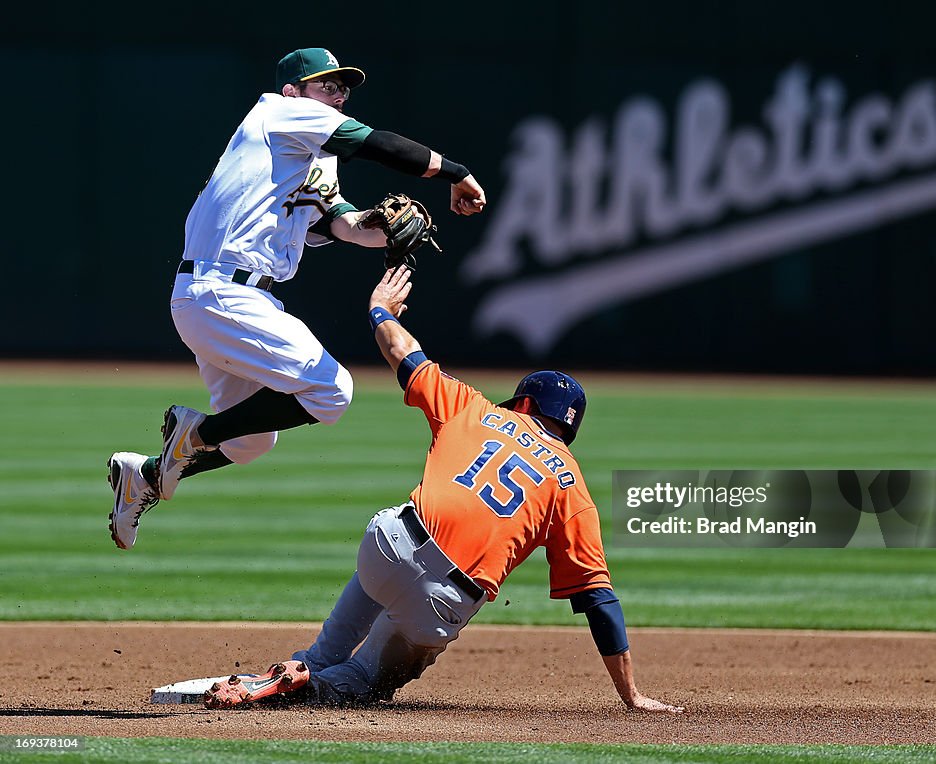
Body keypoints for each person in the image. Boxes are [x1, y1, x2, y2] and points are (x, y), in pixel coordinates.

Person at [203, 265, 683, 714]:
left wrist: (379, 310)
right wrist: (631, 693)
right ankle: (307, 687)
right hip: (440, 599)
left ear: (526, 402)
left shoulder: (474, 408)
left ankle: (298, 666)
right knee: (367, 680)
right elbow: (598, 600)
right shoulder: (571, 487)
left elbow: (404, 354)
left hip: (390, 543)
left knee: (338, 634)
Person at [107, 47, 486, 550]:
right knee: (333, 392)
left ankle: (146, 475)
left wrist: (385, 232)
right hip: (220, 291)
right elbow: (378, 144)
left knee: (252, 440)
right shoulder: (278, 112)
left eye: (343, 87)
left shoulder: (309, 155)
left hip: (229, 299)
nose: (339, 94)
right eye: (327, 84)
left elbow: (340, 224)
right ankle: (192, 435)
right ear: (294, 91)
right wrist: (455, 172)